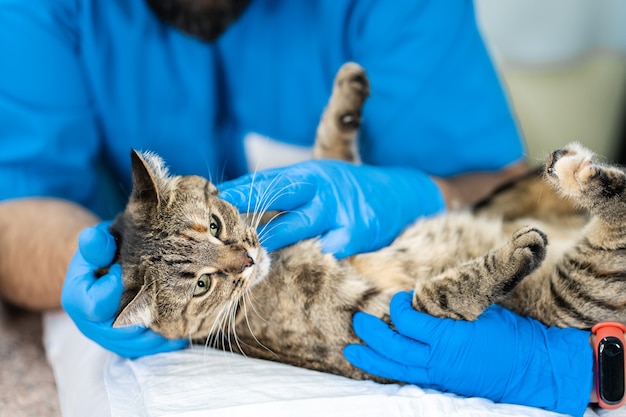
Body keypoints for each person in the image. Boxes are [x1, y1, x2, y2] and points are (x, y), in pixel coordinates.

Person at [0, 0, 592, 416]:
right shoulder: (44, 11)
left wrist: (419, 192)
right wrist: (111, 273)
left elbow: (518, 181)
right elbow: (16, 207)